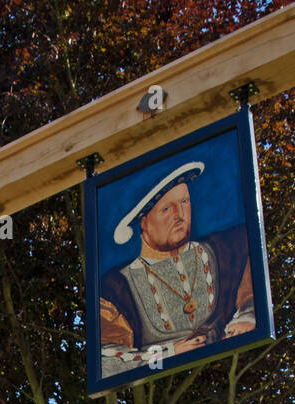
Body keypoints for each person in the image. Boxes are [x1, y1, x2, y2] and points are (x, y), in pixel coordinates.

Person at [98, 161, 255, 375]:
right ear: (143, 222)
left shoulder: (228, 249)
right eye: (166, 209)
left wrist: (246, 318)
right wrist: (169, 353)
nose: (179, 214)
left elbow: (253, 296)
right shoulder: (116, 287)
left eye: (184, 201)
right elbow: (106, 363)